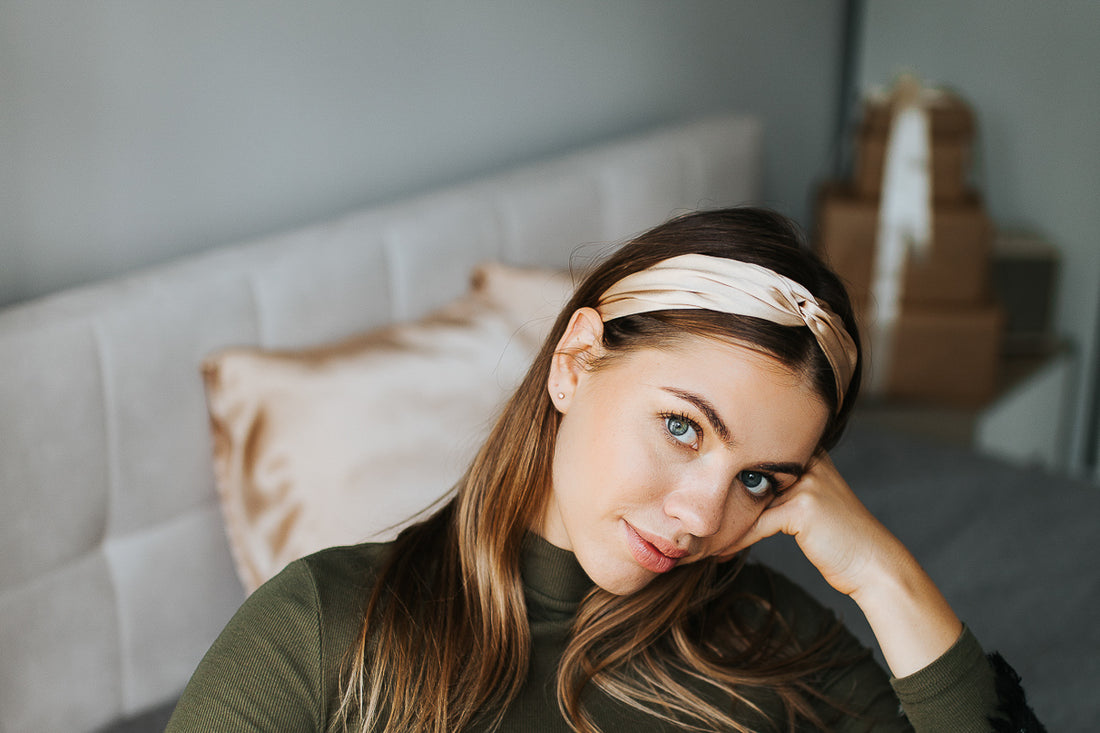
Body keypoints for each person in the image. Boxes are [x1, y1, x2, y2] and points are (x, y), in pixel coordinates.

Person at [167, 207, 1043, 732]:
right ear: (576, 362)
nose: (702, 515)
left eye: (760, 479)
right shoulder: (321, 630)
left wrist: (879, 571)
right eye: (682, 427)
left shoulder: (773, 643)